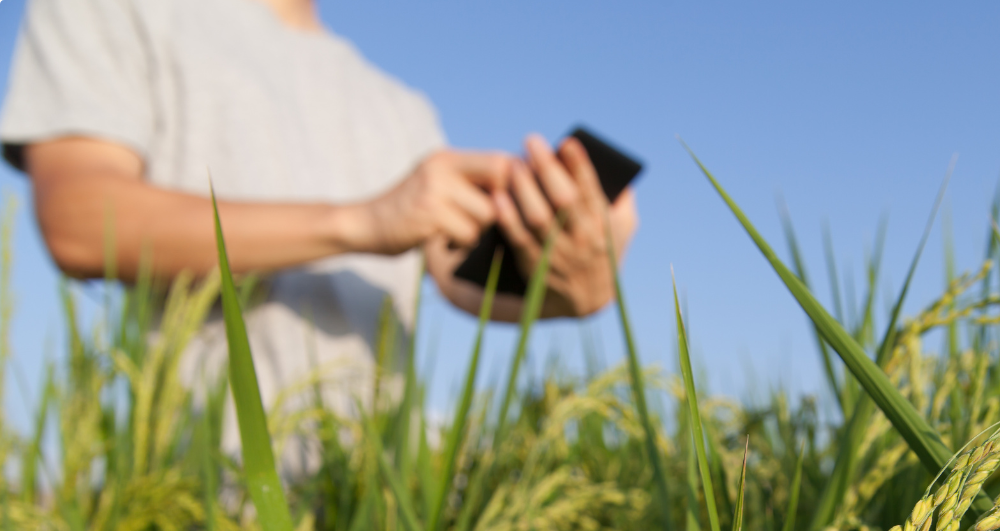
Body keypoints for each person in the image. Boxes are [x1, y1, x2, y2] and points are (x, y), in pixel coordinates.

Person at [0, 0, 638, 467]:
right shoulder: (112, 11)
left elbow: (460, 279)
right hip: (204, 497)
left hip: (377, 510)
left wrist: (574, 281)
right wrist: (360, 222)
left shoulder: (399, 105)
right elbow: (81, 220)